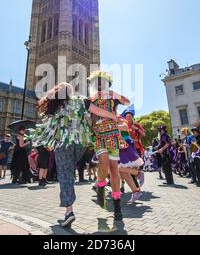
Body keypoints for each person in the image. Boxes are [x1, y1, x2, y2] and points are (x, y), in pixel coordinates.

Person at [28, 82, 119, 227]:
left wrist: (55, 90)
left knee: (65, 175)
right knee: (69, 171)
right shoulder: (81, 100)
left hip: (63, 143)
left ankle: (69, 211)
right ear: (71, 92)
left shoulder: (55, 104)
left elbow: (48, 122)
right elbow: (98, 111)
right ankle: (88, 189)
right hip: (80, 143)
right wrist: (114, 117)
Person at [88, 70, 130, 221]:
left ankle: (117, 206)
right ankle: (100, 186)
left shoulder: (112, 96)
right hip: (98, 135)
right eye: (97, 83)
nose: (99, 85)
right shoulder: (90, 99)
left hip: (113, 134)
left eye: (102, 82)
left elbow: (127, 101)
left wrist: (114, 94)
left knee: (114, 170)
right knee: (103, 163)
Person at [121, 104, 146, 187]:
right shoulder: (123, 125)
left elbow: (144, 134)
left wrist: (137, 129)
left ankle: (135, 184)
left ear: (132, 117)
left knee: (134, 167)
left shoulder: (137, 125)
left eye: (130, 116)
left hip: (136, 147)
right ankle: (124, 185)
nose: (128, 118)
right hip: (126, 148)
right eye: (127, 116)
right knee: (125, 166)